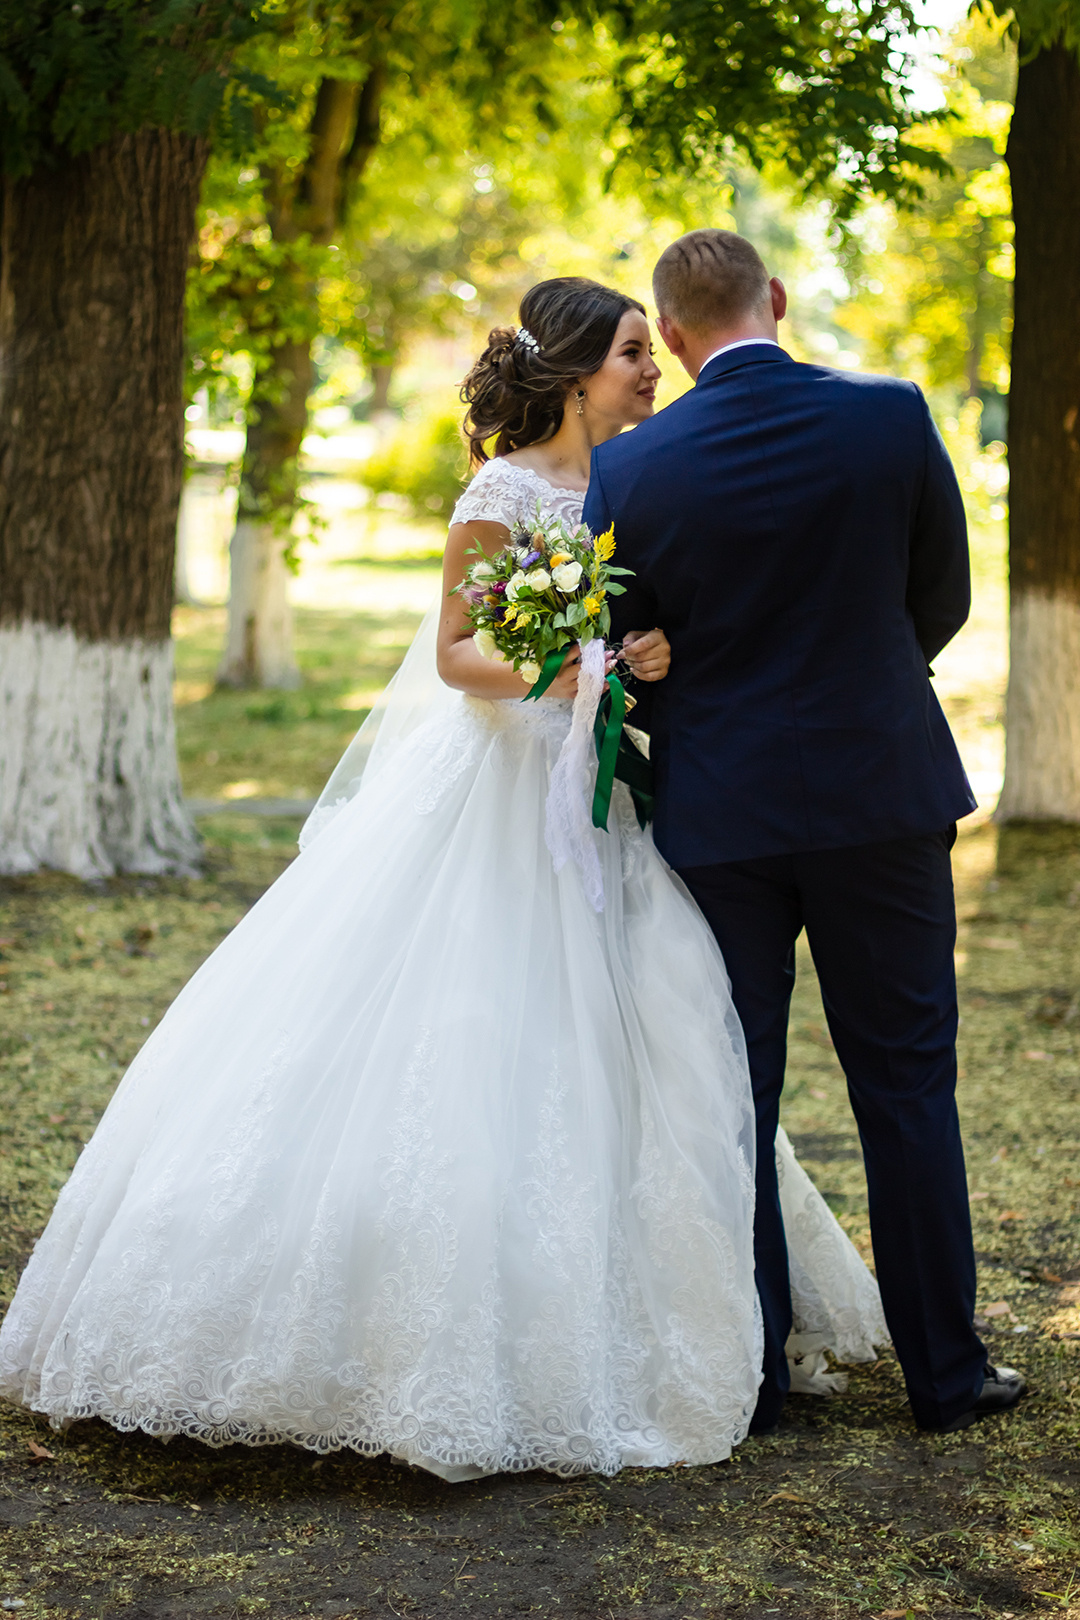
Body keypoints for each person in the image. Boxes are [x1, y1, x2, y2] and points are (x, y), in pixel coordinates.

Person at [0, 276, 886, 1482]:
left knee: (655, 1032)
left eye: (651, 351)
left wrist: (642, 657)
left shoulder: (632, 484)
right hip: (498, 797)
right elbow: (455, 652)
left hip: (602, 801)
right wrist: (563, 670)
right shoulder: (502, 489)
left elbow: (643, 628)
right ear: (577, 374)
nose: (653, 370)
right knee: (465, 1038)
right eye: (634, 353)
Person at [583, 230, 1025, 1436]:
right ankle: (946, 1374)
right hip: (882, 795)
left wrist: (712, 708)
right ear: (775, 300)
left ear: (671, 335)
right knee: (908, 1084)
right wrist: (868, 689)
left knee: (740, 1091)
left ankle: (757, 1376)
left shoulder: (633, 466)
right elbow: (943, 596)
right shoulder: (893, 417)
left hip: (724, 813)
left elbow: (637, 656)